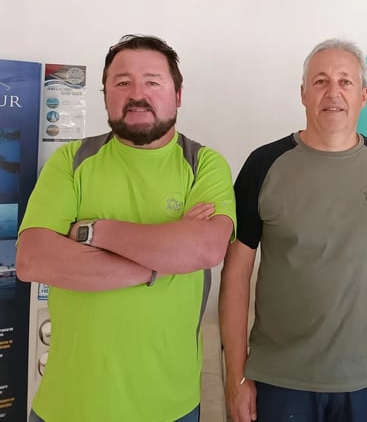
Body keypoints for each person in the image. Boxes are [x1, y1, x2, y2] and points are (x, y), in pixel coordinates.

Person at [16, 35, 236, 422]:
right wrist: (161, 263)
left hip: (170, 407)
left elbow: (205, 250)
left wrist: (92, 231)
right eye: (122, 83)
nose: (137, 94)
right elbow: (32, 260)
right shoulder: (71, 160)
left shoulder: (204, 165)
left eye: (152, 81)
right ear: (105, 96)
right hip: (67, 405)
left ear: (178, 95)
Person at [219, 38, 367, 422]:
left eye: (345, 81)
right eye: (320, 81)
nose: (333, 92)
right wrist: (236, 374)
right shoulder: (264, 164)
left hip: (363, 376)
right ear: (303, 93)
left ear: (363, 95)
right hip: (280, 376)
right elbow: (236, 272)